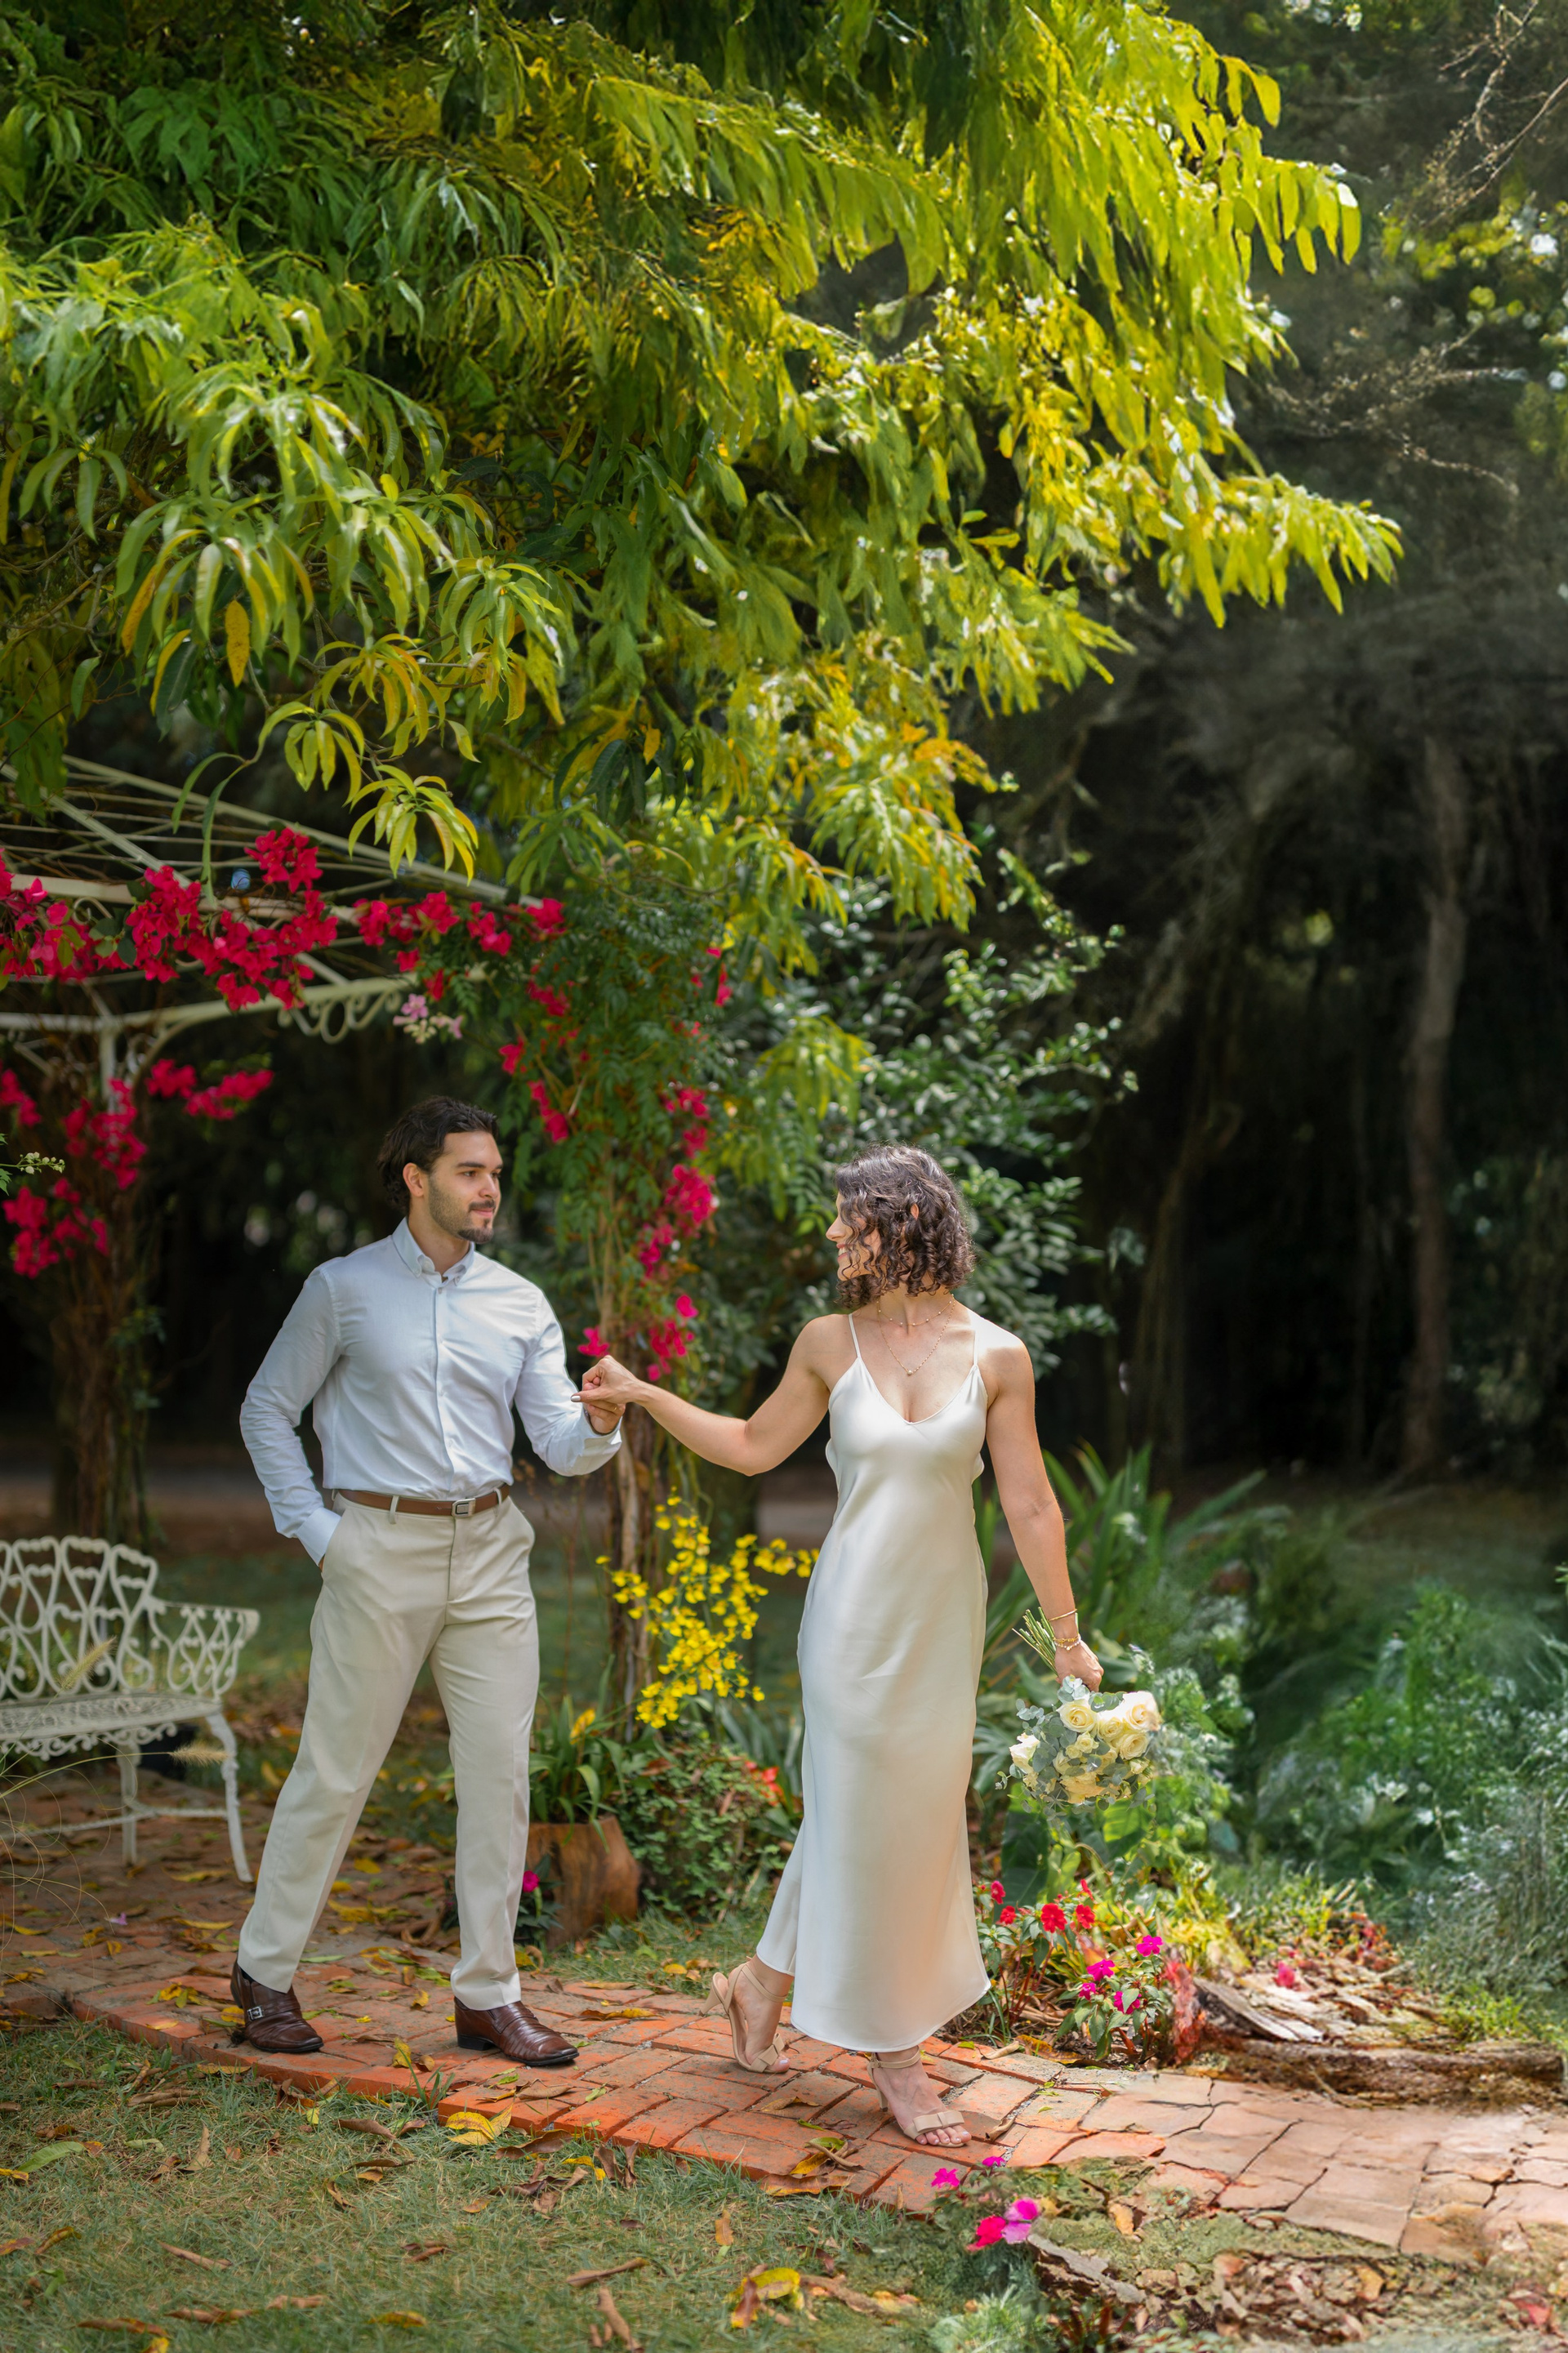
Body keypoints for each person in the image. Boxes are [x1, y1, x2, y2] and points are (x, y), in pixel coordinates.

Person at [577, 1143, 1101, 2150]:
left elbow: (1032, 1505)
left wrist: (1067, 1640)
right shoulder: (828, 1341)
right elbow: (749, 1445)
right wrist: (643, 1394)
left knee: (907, 1821)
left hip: (939, 1626)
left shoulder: (999, 1357)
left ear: (901, 1222)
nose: (831, 1233)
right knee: (862, 1817)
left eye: (847, 1217)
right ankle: (896, 2056)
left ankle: (757, 1982)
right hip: (851, 1621)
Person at [234, 1096, 624, 2066]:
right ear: (416, 1178)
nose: (489, 1189)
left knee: (498, 1777)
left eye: (495, 1173)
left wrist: (602, 1423)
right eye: (469, 1171)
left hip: (491, 1552)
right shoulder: (342, 1288)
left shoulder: (520, 1302)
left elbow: (558, 1443)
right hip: (376, 1549)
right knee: (335, 1770)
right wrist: (321, 1534)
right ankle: (264, 1972)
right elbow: (267, 1408)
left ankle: (489, 1994)